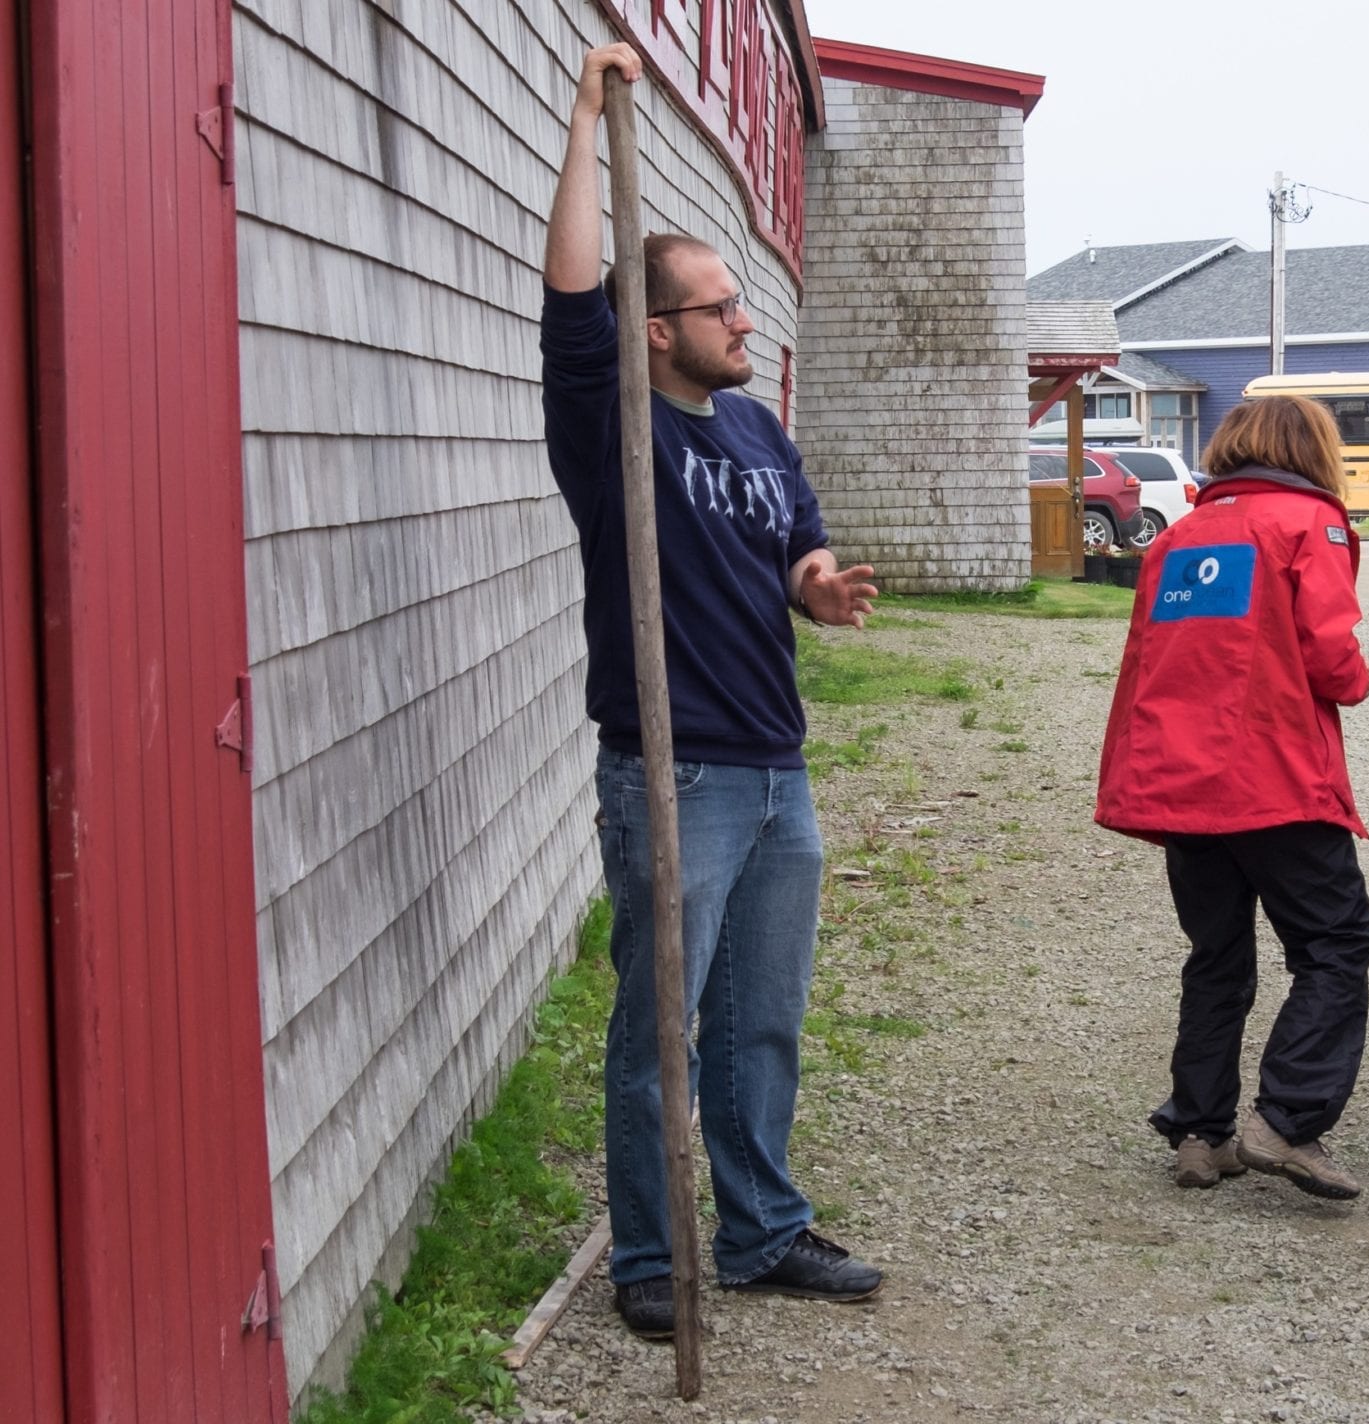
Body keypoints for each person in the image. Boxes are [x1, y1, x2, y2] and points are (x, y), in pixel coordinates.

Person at [541, 44, 883, 1336]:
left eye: (744, 305)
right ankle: (647, 1259)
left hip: (775, 767)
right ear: (660, 330)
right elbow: (576, 298)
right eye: (723, 309)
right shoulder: (613, 417)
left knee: (761, 1025)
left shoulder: (755, 429)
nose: (748, 323)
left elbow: (795, 539)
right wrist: (583, 116)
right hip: (671, 767)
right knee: (662, 1030)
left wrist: (820, 587)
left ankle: (760, 1231)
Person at [1097, 395, 1369, 1200]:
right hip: (1272, 778)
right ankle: (1286, 1120)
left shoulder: (1181, 535)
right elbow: (1329, 654)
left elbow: (1149, 660)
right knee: (1336, 944)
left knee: (1216, 955)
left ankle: (1201, 1129)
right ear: (1311, 451)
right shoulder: (1308, 524)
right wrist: (1360, 679)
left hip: (1181, 780)